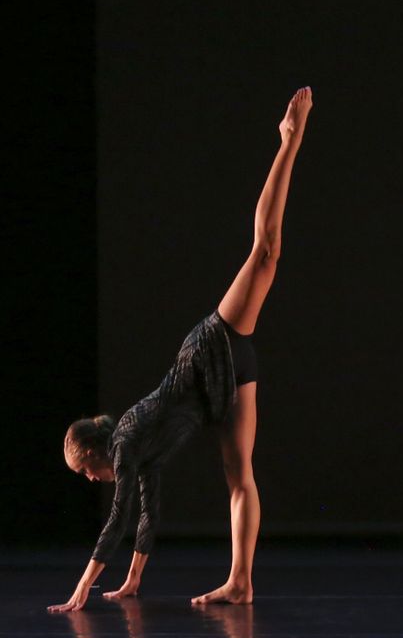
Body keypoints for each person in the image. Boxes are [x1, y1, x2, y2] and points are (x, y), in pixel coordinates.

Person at [52, 88, 313, 611]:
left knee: (266, 253)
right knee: (240, 479)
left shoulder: (126, 440)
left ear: (95, 455)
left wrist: (81, 589)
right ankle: (241, 582)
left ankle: (289, 139)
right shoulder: (141, 457)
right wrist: (131, 582)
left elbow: (119, 518)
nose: (91, 481)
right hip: (221, 391)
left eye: (85, 473)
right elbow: (147, 519)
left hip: (210, 351)